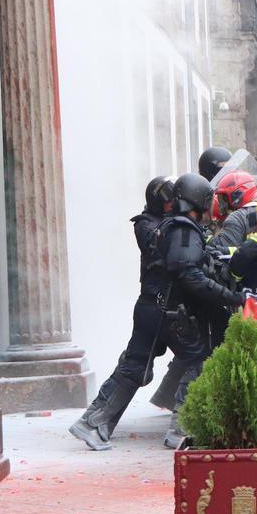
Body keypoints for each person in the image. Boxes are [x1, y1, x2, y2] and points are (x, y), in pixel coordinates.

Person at [70, 177, 180, 450]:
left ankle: (93, 424)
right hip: (156, 307)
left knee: (137, 367)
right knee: (195, 359)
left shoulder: (166, 222)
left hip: (160, 307)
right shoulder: (146, 224)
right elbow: (162, 243)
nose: (172, 205)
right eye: (169, 200)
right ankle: (182, 430)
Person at [152, 174, 246, 449]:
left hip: (178, 308)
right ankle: (179, 430)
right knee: (198, 363)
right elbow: (189, 275)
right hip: (185, 311)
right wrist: (228, 296)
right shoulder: (185, 230)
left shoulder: (175, 226)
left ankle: (187, 426)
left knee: (198, 362)